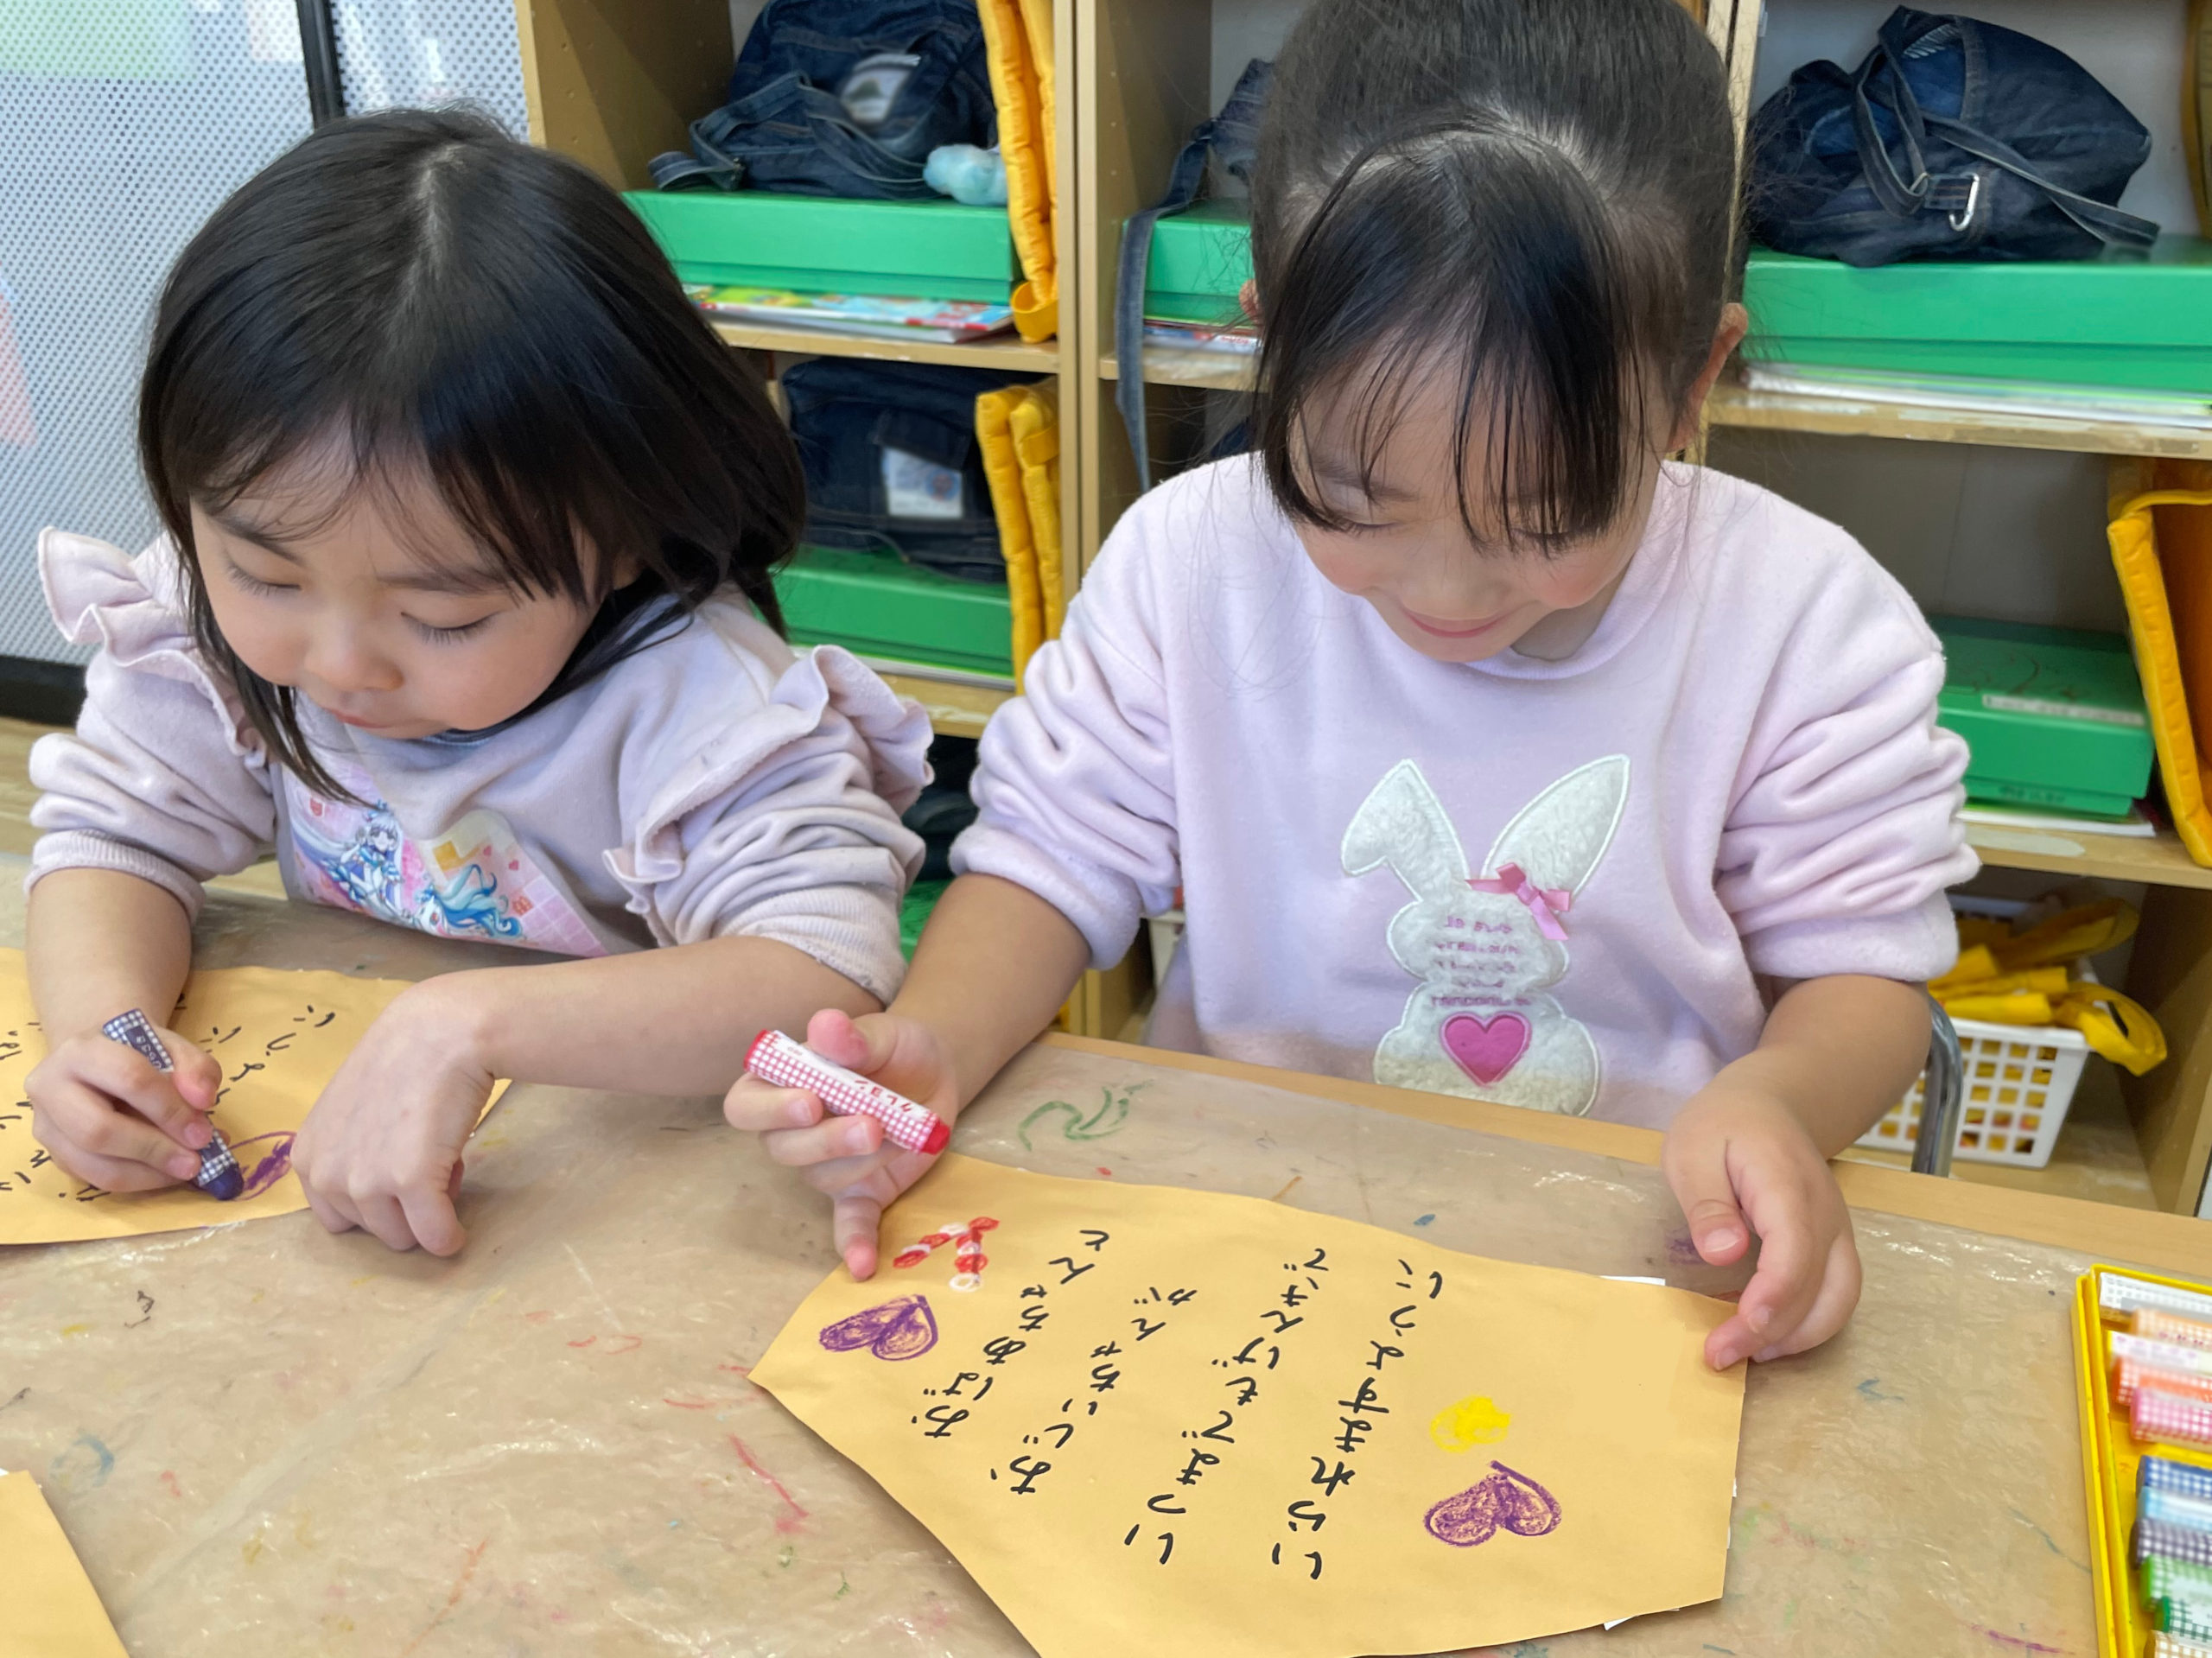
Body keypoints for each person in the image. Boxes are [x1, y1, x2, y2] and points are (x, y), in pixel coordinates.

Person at [729, 0, 1978, 1371]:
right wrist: (938, 1037)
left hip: (1626, 1257)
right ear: (1270, 346)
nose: (1448, 592)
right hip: (1239, 1229)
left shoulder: (1802, 621)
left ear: (1691, 390)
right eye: (1354, 498)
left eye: (1547, 517)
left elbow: (1860, 974)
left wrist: (1783, 1105)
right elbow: (1047, 862)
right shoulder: (1190, 562)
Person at [27, 110, 928, 1255]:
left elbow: (826, 967)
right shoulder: (201, 624)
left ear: (626, 531)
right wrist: (104, 1039)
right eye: (264, 576)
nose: (341, 665)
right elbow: (114, 838)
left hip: (627, 1207)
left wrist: (468, 1020)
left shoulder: (699, 699)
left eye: (444, 616)